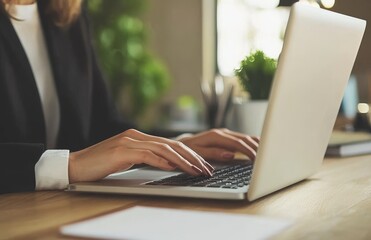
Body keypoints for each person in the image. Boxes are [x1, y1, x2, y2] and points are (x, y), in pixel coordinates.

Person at [0, 0, 259, 194]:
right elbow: (81, 159)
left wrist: (170, 147)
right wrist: (72, 165)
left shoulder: (66, 12)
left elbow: (102, 125)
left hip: (57, 209)